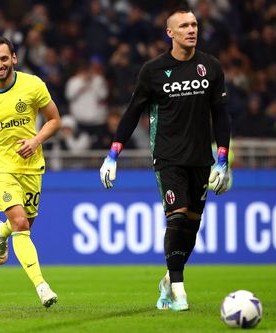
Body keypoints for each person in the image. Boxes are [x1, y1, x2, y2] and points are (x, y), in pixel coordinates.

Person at [99, 8, 231, 312]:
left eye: (194, 24)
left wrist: (222, 159)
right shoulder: (153, 70)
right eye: (183, 25)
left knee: (192, 225)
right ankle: (178, 289)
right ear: (169, 32)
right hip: (168, 156)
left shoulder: (210, 67)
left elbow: (221, 115)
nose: (191, 29)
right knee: (177, 216)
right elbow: (133, 112)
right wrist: (112, 154)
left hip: (202, 158)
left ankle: (168, 281)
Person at [0, 36, 61, 308]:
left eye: (4, 58)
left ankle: (1, 231)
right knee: (21, 223)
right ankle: (42, 286)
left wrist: (35, 141)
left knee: (25, 224)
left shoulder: (33, 86)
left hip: (30, 166)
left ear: (14, 59)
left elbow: (55, 120)